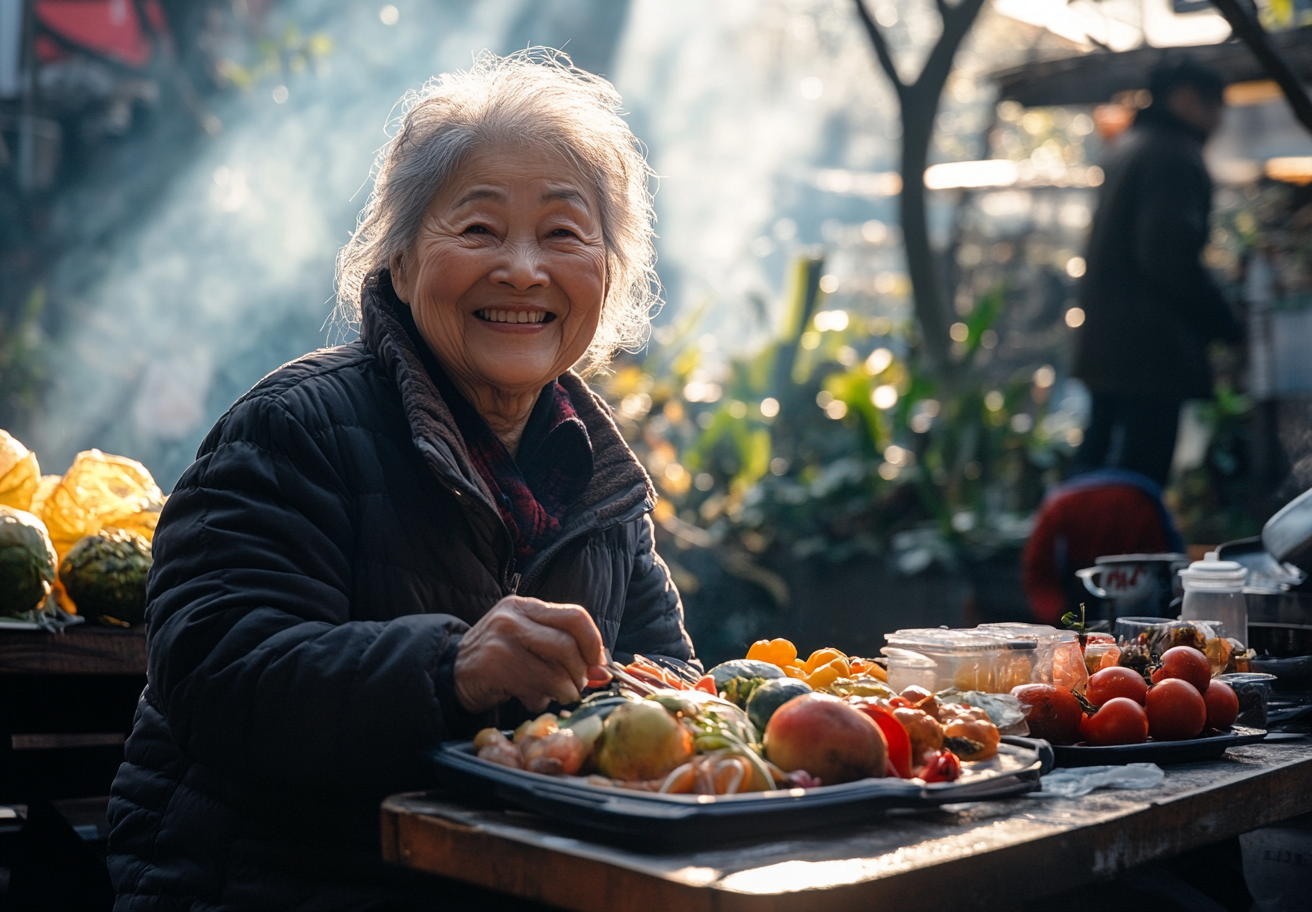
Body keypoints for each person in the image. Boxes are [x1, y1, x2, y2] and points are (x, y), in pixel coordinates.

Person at [107, 49, 697, 911]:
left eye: (564, 234)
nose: (523, 268)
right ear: (402, 260)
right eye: (479, 228)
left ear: (608, 273)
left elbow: (667, 685)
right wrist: (450, 667)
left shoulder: (600, 484)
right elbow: (216, 672)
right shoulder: (293, 426)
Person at [1071, 57, 1243, 488]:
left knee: (1095, 474)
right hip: (1149, 356)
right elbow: (1169, 257)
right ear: (1185, 99)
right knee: (1136, 486)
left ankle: (1070, 532)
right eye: (1215, 106)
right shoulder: (1172, 155)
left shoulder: (1130, 146)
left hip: (1111, 349)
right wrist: (1225, 323)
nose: (1219, 121)